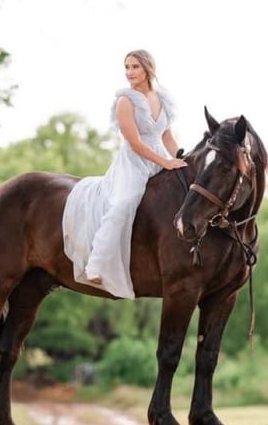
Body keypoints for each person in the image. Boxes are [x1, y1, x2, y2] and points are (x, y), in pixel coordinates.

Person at [62, 49, 186, 299]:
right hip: (134, 163)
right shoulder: (125, 101)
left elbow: (167, 136)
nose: (129, 73)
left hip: (160, 156)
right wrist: (165, 161)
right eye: (127, 67)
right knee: (123, 203)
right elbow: (135, 143)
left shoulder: (162, 98)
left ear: (148, 68)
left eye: (134, 67)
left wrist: (181, 159)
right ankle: (95, 263)